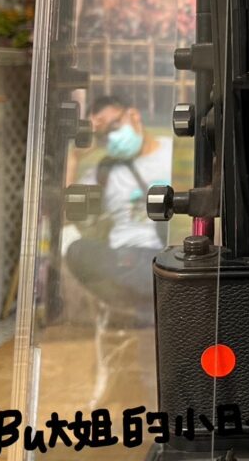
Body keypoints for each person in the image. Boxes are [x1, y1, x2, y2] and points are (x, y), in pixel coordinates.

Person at [64, 94, 173, 320]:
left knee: (159, 275)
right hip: (124, 259)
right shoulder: (105, 170)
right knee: (76, 250)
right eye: (103, 136)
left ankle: (144, 312)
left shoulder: (171, 153)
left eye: (114, 126)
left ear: (133, 114)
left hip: (168, 254)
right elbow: (68, 213)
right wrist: (74, 158)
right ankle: (144, 311)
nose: (112, 137)